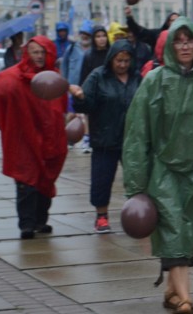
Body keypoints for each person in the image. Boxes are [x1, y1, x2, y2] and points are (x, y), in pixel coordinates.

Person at [123, 17, 193, 314]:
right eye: (179, 40)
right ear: (171, 45)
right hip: (164, 171)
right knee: (174, 229)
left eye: (189, 40)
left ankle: (173, 292)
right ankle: (186, 300)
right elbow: (137, 133)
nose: (185, 46)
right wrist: (136, 183)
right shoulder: (156, 81)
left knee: (191, 232)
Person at [0, 36, 68, 239]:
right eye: (35, 52)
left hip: (50, 139)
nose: (39, 56)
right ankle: (27, 225)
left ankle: (41, 221)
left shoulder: (54, 79)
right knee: (26, 182)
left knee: (45, 182)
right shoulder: (12, 78)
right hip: (23, 140)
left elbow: (61, 108)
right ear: (27, 53)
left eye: (43, 52)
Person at [70, 40, 141, 234]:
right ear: (111, 58)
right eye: (119, 60)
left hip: (132, 140)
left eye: (127, 61)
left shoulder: (137, 77)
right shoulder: (98, 76)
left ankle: (139, 214)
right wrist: (79, 97)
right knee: (102, 179)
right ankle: (101, 216)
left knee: (138, 179)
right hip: (104, 138)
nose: (123, 65)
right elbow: (85, 106)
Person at [79, 25, 111, 154]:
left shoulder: (111, 53)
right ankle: (88, 139)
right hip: (94, 92)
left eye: (103, 36)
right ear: (94, 39)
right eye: (98, 36)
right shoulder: (89, 56)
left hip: (110, 92)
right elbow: (84, 76)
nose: (101, 39)